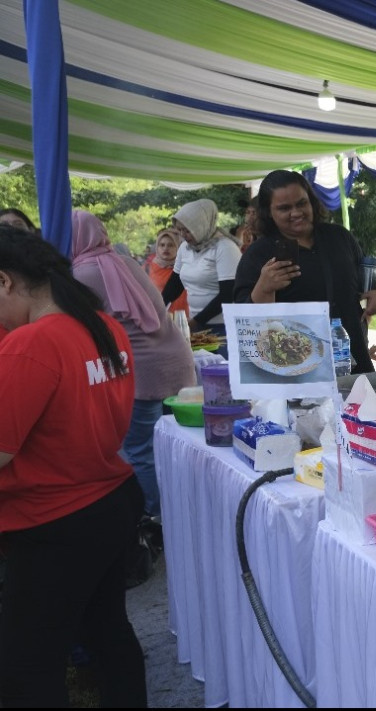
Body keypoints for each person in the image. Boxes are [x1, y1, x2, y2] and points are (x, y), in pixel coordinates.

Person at [0, 228, 148, 707]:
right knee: (108, 633)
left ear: (4, 282)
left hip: (55, 521)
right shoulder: (104, 325)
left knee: (26, 664)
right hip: (109, 502)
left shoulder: (31, 344)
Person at [71, 209, 196, 525]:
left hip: (142, 370)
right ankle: (185, 510)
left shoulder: (83, 272)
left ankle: (155, 516)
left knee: (140, 450)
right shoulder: (123, 261)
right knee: (176, 446)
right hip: (177, 361)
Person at [234, 170, 376, 374]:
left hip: (354, 367)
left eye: (301, 203)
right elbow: (245, 324)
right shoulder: (258, 254)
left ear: (312, 201)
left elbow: (366, 281)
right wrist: (263, 289)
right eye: (284, 208)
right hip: (297, 375)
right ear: (268, 212)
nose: (296, 212)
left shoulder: (340, 238)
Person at [162, 198, 241, 338]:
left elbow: (228, 294)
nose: (183, 235)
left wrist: (195, 322)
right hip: (196, 323)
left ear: (200, 226)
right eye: (180, 230)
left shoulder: (225, 248)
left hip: (223, 325)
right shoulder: (185, 249)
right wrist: (158, 309)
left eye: (187, 230)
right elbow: (174, 285)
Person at [147, 227, 189, 316]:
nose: (165, 248)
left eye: (170, 245)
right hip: (159, 318)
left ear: (178, 247)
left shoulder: (186, 268)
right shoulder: (147, 268)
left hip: (185, 318)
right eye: (162, 245)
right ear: (157, 247)